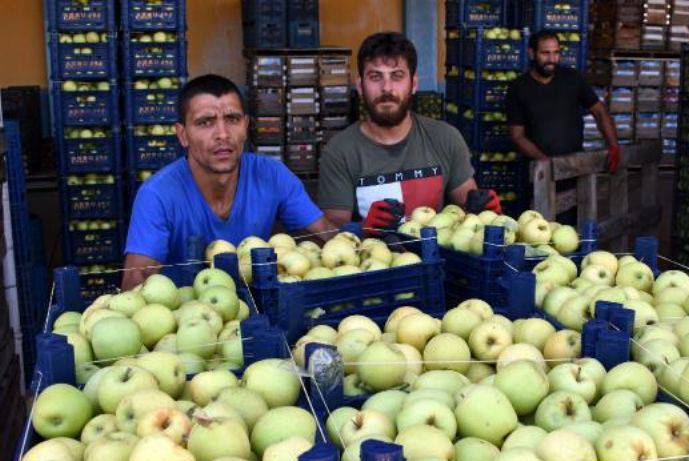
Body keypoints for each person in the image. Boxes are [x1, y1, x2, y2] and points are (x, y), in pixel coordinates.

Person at [122, 75, 334, 289]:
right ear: (183, 135)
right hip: (186, 313)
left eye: (232, 119)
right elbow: (134, 286)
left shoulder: (272, 175)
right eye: (205, 122)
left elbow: (325, 238)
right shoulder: (158, 194)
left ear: (246, 125)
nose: (222, 134)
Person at [318, 32, 501, 233]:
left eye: (397, 76)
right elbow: (330, 232)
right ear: (360, 86)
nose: (386, 88)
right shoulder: (339, 151)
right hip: (373, 261)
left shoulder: (446, 138)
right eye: (375, 76)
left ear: (413, 84)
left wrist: (483, 210)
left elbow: (468, 207)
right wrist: (362, 228)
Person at [506, 30, 619, 222]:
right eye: (545, 53)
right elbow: (517, 136)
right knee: (540, 228)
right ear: (531, 53)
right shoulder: (519, 88)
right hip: (539, 173)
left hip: (575, 169)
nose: (552, 59)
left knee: (574, 226)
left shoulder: (572, 79)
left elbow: (599, 111)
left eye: (556, 52)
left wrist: (613, 145)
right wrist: (548, 164)